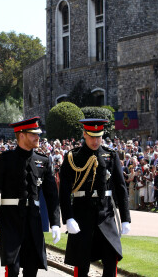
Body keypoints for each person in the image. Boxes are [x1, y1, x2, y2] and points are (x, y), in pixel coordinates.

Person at [0, 117, 61, 277]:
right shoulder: (4, 160)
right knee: (13, 267)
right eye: (33, 134)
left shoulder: (43, 161)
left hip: (33, 219)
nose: (37, 138)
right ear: (21, 135)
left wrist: (55, 223)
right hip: (10, 219)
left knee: (32, 268)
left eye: (38, 134)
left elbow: (52, 194)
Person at [59, 119, 131, 277]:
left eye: (99, 137)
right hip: (82, 215)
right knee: (82, 263)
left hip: (105, 215)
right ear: (85, 134)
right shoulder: (73, 157)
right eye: (92, 136)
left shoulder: (110, 155)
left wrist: (126, 218)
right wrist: (68, 218)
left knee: (112, 258)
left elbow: (120, 187)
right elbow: (64, 190)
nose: (95, 140)